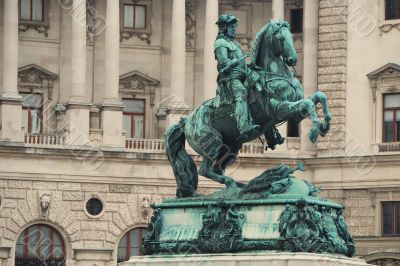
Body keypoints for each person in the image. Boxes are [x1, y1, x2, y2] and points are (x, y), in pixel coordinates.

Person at [214, 15, 259, 138]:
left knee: (262, 90)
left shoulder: (235, 44)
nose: (234, 29)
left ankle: (271, 134)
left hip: (242, 75)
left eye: (235, 27)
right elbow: (224, 63)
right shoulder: (220, 43)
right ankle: (243, 126)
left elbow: (242, 64)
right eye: (232, 27)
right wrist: (231, 63)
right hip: (229, 78)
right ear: (224, 28)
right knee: (242, 92)